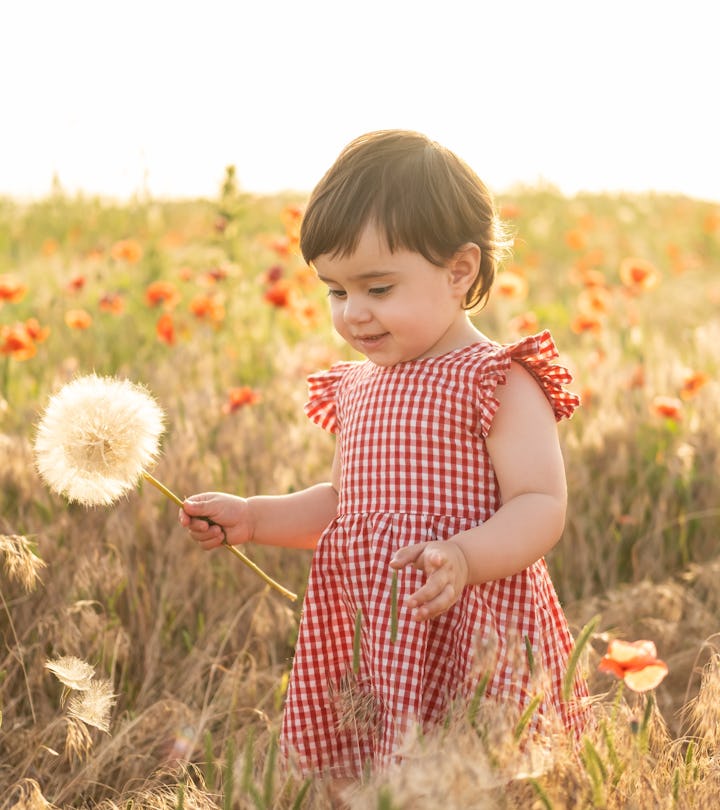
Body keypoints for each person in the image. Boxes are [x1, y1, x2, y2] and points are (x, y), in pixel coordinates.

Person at [179, 130, 590, 786]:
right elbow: (347, 508)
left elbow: (541, 505)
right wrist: (254, 518)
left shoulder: (495, 378)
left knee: (483, 771)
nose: (354, 315)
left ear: (460, 270)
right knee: (376, 776)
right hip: (379, 637)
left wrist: (464, 556)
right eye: (337, 292)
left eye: (378, 287)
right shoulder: (357, 387)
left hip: (468, 625)